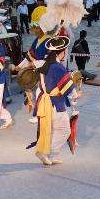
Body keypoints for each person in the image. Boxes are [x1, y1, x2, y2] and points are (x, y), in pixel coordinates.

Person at [27, 36, 77, 166]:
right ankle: (46, 152)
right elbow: (69, 89)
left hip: (44, 101)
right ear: (63, 52)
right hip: (55, 103)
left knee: (52, 130)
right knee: (65, 130)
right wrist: (76, 95)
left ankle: (51, 154)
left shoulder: (43, 63)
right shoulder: (58, 67)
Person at [15, 6, 50, 125]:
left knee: (42, 94)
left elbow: (49, 60)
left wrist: (33, 63)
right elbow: (29, 55)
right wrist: (20, 66)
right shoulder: (37, 40)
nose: (34, 30)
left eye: (37, 28)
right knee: (39, 94)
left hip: (47, 73)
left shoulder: (48, 41)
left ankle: (39, 115)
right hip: (38, 73)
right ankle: (40, 114)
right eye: (34, 28)